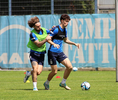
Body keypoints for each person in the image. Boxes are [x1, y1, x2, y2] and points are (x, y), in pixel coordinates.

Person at [44, 14, 79, 90]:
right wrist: (54, 44)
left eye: (68, 22)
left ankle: (63, 83)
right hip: (52, 52)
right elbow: (48, 38)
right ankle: (46, 83)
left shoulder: (65, 30)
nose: (67, 23)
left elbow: (66, 40)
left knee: (70, 67)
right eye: (66, 21)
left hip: (60, 52)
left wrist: (74, 43)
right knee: (54, 72)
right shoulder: (56, 29)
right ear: (62, 21)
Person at [23, 16, 52, 91]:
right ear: (33, 26)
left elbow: (50, 31)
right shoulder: (32, 34)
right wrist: (46, 39)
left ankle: (29, 73)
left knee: (38, 72)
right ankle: (35, 87)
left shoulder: (43, 30)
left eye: (40, 25)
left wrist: (53, 28)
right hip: (34, 54)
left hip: (42, 54)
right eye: (37, 26)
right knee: (35, 69)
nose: (39, 27)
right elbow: (38, 44)